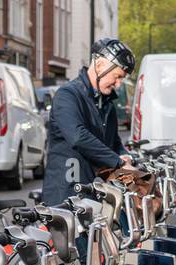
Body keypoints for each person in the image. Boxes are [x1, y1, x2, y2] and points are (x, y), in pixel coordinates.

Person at [41, 37, 137, 206]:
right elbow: (78, 137)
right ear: (99, 65)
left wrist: (125, 155)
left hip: (95, 191)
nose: (118, 83)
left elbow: (114, 141)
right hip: (67, 192)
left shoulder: (107, 103)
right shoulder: (68, 95)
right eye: (117, 76)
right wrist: (118, 162)